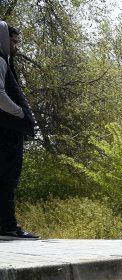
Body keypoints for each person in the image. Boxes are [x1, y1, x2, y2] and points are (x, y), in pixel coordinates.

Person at [0, 22, 37, 240]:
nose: (16, 47)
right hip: (6, 132)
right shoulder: (1, 60)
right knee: (8, 179)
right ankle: (9, 226)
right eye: (13, 42)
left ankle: (6, 225)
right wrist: (19, 113)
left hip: (6, 130)